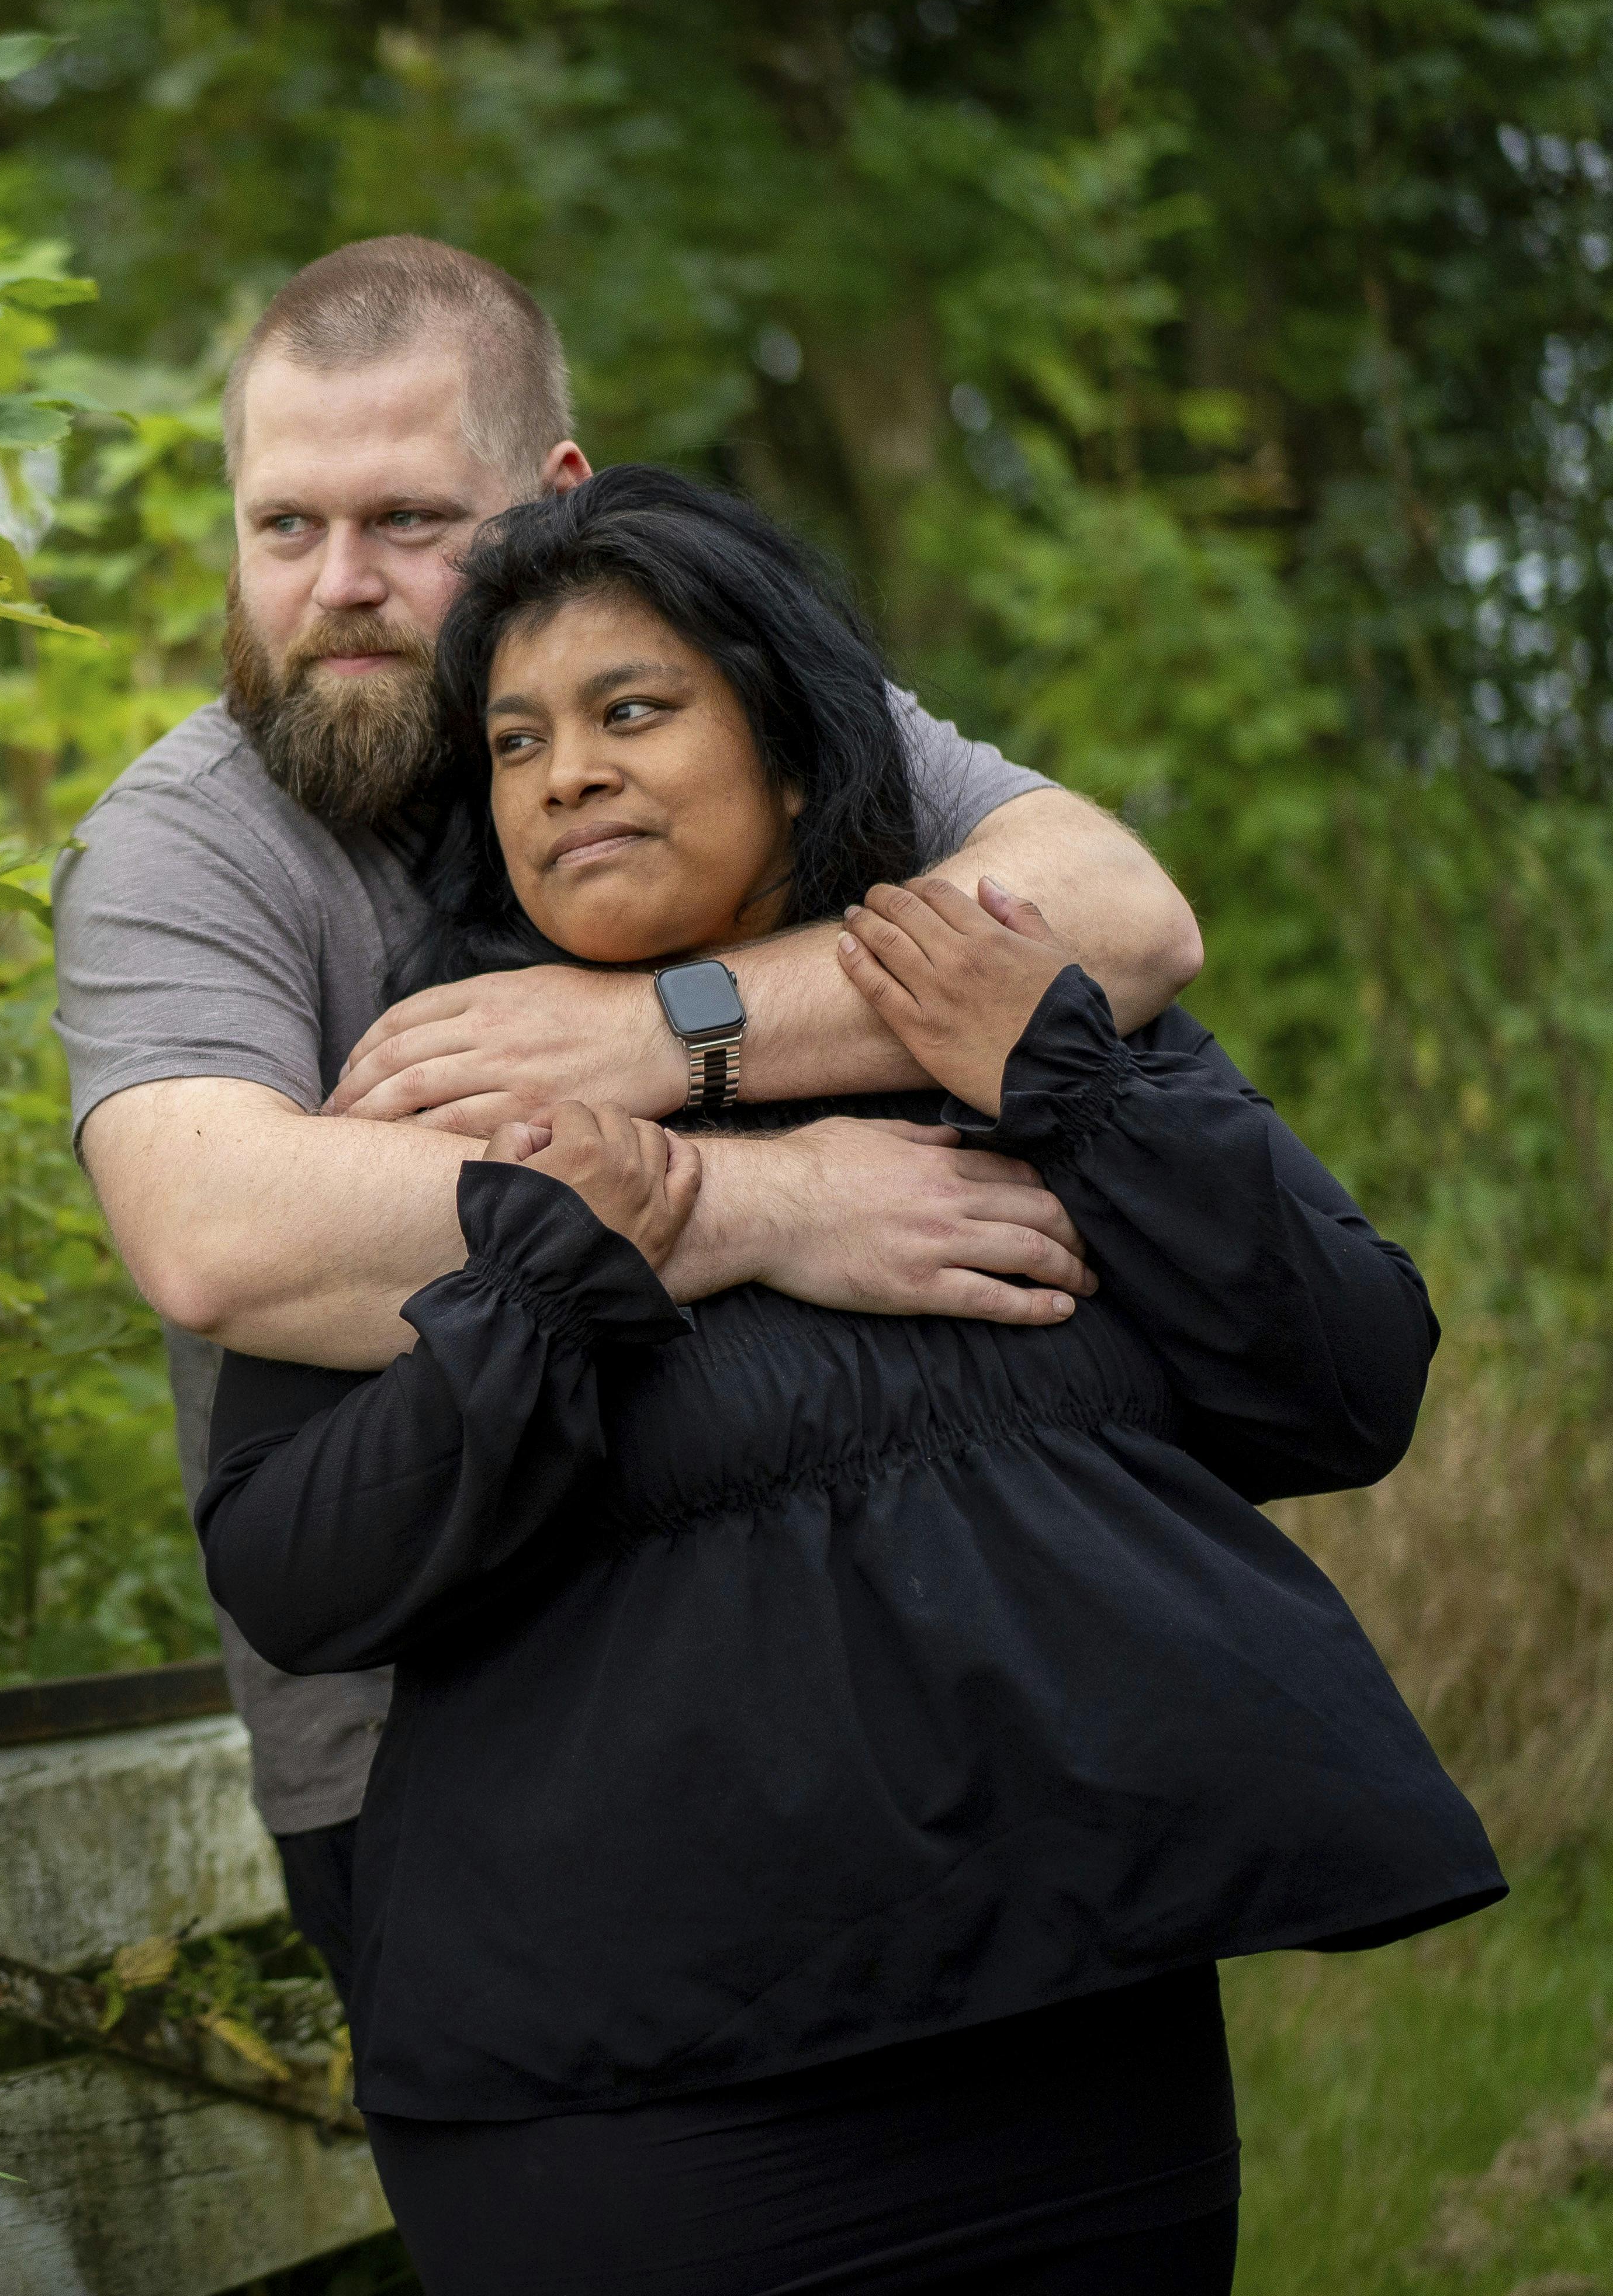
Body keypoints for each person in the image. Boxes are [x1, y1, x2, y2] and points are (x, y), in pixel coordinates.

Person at [195, 465, 1503, 2293]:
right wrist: (570, 1284)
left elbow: (1346, 1387)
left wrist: (1063, 1078)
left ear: (795, 753)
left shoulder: (987, 1001)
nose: (566, 771)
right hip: (636, 2106)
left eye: (632, 711)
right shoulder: (443, 1091)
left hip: (1072, 2053)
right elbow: (294, 1567)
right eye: (515, 741)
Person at [53, 235, 1209, 1972]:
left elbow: (1121, 920)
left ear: (548, 501)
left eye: (410, 525)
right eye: (285, 527)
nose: (339, 586)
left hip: (873, 1661)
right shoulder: (193, 842)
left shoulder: (722, 698)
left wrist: (666, 1035)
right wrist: (775, 1203)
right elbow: (215, 1233)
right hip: (435, 1754)